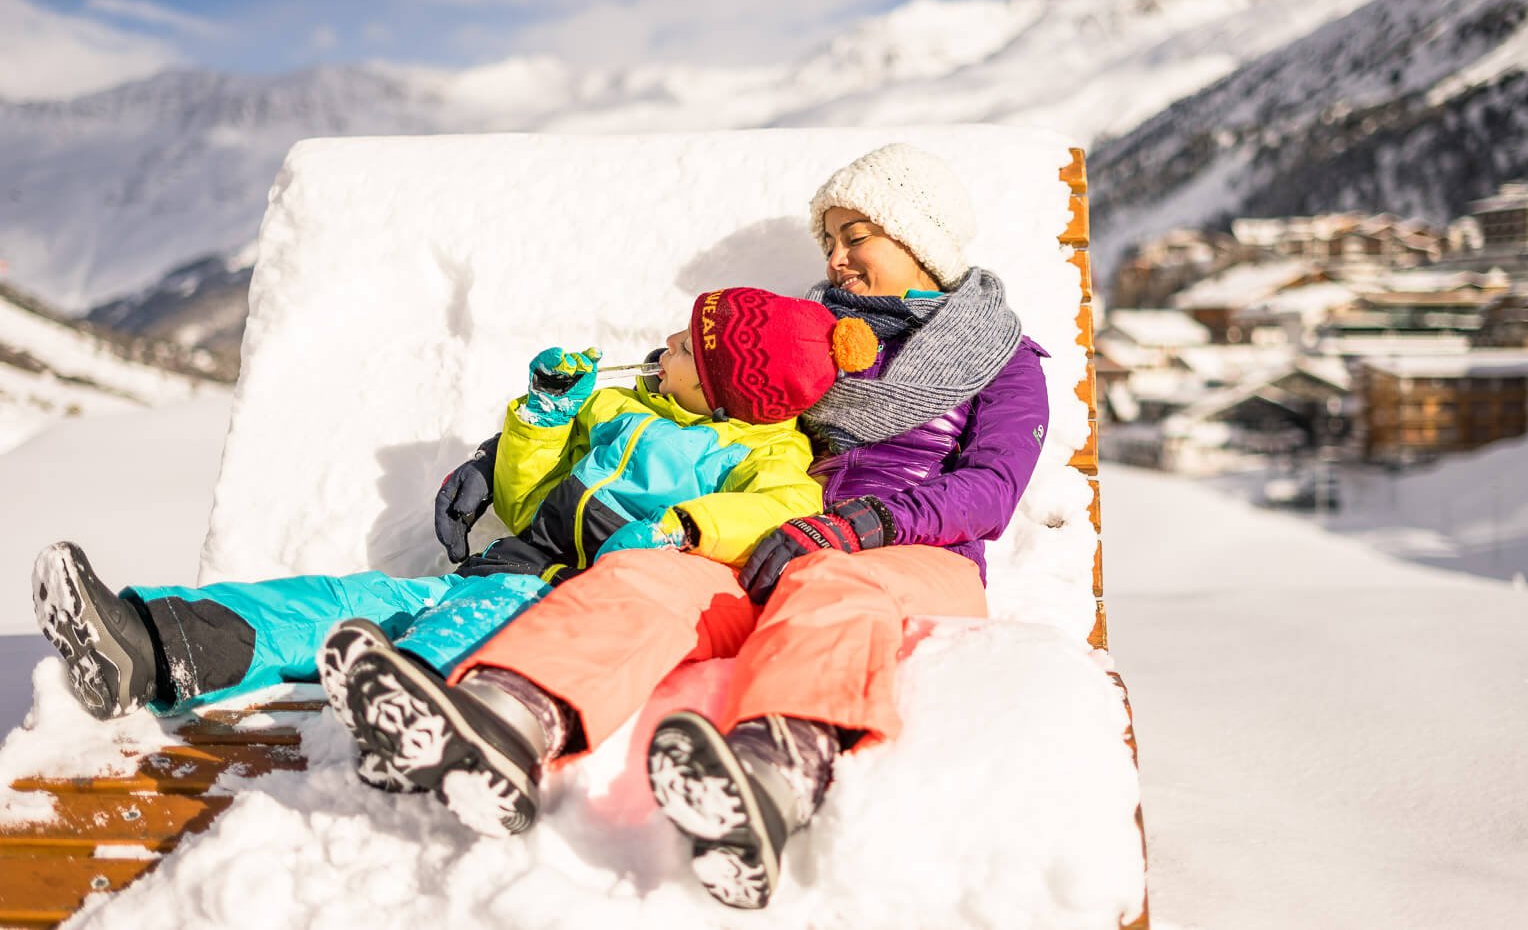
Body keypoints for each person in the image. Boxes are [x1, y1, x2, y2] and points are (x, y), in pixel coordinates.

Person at [336, 142, 1051, 908]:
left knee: (832, 582)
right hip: (772, 540)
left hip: (913, 556)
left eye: (856, 236)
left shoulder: (1002, 358)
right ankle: (510, 716)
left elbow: (992, 488)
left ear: (920, 237)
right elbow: (678, 394)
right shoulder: (806, 330)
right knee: (645, 572)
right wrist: (498, 451)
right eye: (830, 240)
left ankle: (772, 775)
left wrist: (858, 527)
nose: (837, 258)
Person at [31, 288, 873, 800]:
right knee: (345, 601)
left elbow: (785, 508)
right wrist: (544, 415)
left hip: (563, 599)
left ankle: (418, 705)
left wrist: (689, 525)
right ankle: (150, 643)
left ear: (728, 388)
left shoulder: (767, 452)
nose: (671, 343)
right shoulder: (621, 406)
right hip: (507, 563)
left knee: (469, 621)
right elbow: (524, 496)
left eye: (692, 346)